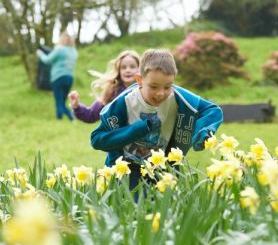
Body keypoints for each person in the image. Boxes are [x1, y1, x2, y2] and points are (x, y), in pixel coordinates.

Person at [91, 49, 223, 190]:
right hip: (127, 169)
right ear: (139, 80)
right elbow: (97, 139)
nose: (161, 93)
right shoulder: (125, 102)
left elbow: (212, 110)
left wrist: (202, 132)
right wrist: (137, 130)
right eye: (153, 86)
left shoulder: (179, 97)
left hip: (163, 169)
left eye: (167, 86)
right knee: (133, 208)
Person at [69, 50, 140, 123]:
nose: (127, 70)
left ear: (140, 69)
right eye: (123, 67)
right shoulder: (112, 92)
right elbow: (91, 115)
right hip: (118, 133)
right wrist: (76, 106)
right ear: (119, 71)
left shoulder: (145, 91)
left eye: (132, 67)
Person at [37, 32, 77, 121]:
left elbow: (47, 60)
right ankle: (66, 117)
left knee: (59, 101)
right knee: (62, 100)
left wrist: (40, 54)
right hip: (69, 78)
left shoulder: (59, 50)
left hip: (58, 77)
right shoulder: (74, 52)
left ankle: (64, 117)